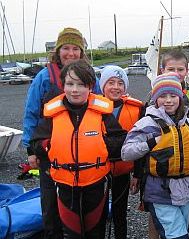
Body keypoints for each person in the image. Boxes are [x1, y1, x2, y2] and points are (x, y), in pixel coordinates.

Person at [30, 60, 127, 238]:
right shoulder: (52, 114)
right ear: (63, 85)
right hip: (65, 186)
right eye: (70, 84)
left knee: (95, 233)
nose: (75, 89)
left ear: (90, 86)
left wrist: (101, 144)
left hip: (95, 185)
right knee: (72, 234)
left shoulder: (102, 112)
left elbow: (120, 139)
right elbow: (36, 142)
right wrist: (50, 146)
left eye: (81, 84)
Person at [22, 27, 100, 239]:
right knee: (51, 208)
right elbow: (30, 113)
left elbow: (103, 108)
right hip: (50, 152)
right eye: (66, 48)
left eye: (76, 48)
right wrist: (31, 149)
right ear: (58, 50)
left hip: (85, 155)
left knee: (84, 211)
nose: (71, 53)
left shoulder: (90, 76)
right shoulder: (44, 77)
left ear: (82, 52)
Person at [121, 73, 189, 239]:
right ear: (155, 99)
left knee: (181, 231)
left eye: (173, 95)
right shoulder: (147, 124)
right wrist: (151, 143)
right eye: (163, 96)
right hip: (160, 192)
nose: (168, 100)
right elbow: (126, 153)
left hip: (186, 190)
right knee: (177, 236)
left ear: (180, 98)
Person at [99, 65, 143, 239]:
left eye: (120, 83)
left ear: (125, 87)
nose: (116, 87)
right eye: (111, 82)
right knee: (99, 214)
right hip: (99, 172)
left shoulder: (136, 109)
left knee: (120, 213)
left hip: (124, 171)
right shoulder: (92, 108)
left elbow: (141, 145)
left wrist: (137, 174)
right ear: (103, 86)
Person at [160, 49, 189, 119]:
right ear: (163, 71)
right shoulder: (155, 95)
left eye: (180, 69)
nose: (176, 73)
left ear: (187, 71)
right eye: (171, 69)